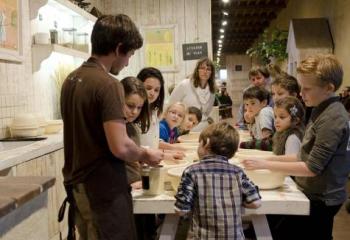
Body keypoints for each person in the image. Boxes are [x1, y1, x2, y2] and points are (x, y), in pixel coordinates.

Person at [60, 14, 163, 240]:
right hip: (101, 191)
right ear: (118, 48)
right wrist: (147, 154)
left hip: (78, 186)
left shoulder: (71, 79)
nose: (127, 62)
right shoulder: (108, 84)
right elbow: (120, 147)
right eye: (129, 54)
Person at [242, 54, 350, 240]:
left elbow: (311, 167)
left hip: (322, 198)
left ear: (329, 88)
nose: (301, 94)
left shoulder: (332, 118)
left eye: (307, 88)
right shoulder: (321, 109)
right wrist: (267, 159)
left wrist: (265, 165)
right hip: (314, 193)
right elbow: (302, 155)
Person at [174, 122, 261, 239]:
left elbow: (181, 210)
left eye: (199, 143)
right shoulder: (238, 173)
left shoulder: (192, 172)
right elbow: (256, 203)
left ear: (206, 143)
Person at [137, 67, 186, 156]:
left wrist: (168, 153)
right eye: (148, 88)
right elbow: (136, 146)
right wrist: (169, 152)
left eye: (156, 90)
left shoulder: (154, 111)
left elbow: (154, 144)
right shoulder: (135, 112)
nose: (152, 93)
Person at [168, 57, 216, 131]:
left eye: (208, 69)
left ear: (211, 73)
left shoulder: (212, 91)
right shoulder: (185, 84)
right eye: (202, 68)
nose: (205, 71)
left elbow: (207, 113)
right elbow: (170, 105)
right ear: (197, 70)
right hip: (182, 128)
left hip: (202, 129)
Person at [121, 77, 150, 190]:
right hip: (123, 189)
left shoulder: (132, 127)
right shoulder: (114, 128)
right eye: (130, 106)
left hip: (135, 186)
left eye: (139, 107)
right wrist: (128, 187)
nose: (135, 112)